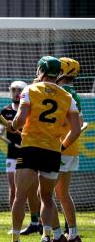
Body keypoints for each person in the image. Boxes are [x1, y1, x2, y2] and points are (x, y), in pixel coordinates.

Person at [9, 56, 81, 242]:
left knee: (20, 196)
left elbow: (20, 120)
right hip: (52, 152)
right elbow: (76, 130)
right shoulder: (67, 96)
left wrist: (13, 125)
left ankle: (15, 238)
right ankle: (47, 236)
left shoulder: (30, 89)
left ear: (40, 71)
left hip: (31, 148)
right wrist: (62, 146)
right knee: (48, 197)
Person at [0, 80, 42, 236]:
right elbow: (0, 127)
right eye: (13, 89)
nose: (16, 92)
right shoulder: (5, 111)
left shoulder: (29, 109)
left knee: (34, 190)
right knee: (14, 189)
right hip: (13, 155)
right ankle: (16, 225)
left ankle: (37, 222)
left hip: (31, 153)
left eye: (19, 89)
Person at [54, 57, 83, 242]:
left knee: (45, 194)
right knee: (63, 193)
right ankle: (73, 234)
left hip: (61, 147)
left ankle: (56, 235)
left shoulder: (61, 92)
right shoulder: (74, 92)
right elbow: (78, 122)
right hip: (72, 148)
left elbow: (66, 121)